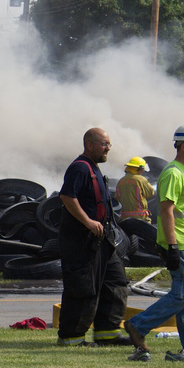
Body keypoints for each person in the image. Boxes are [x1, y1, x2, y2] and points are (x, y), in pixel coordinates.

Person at [124, 123, 184, 362]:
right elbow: (167, 210)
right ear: (183, 146)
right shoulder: (174, 173)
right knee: (183, 295)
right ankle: (138, 325)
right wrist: (172, 246)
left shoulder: (183, 172)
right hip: (180, 244)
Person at [56, 127, 133, 347]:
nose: (108, 148)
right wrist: (88, 222)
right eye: (104, 144)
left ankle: (108, 334)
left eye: (109, 144)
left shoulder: (94, 168)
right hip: (83, 241)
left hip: (103, 240)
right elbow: (67, 196)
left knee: (115, 283)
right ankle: (71, 338)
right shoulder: (79, 168)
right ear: (89, 145)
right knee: (83, 287)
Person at [115, 157, 155, 223]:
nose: (142, 171)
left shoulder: (121, 181)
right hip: (140, 218)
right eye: (142, 169)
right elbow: (151, 193)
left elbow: (117, 198)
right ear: (138, 169)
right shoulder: (140, 179)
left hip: (124, 219)